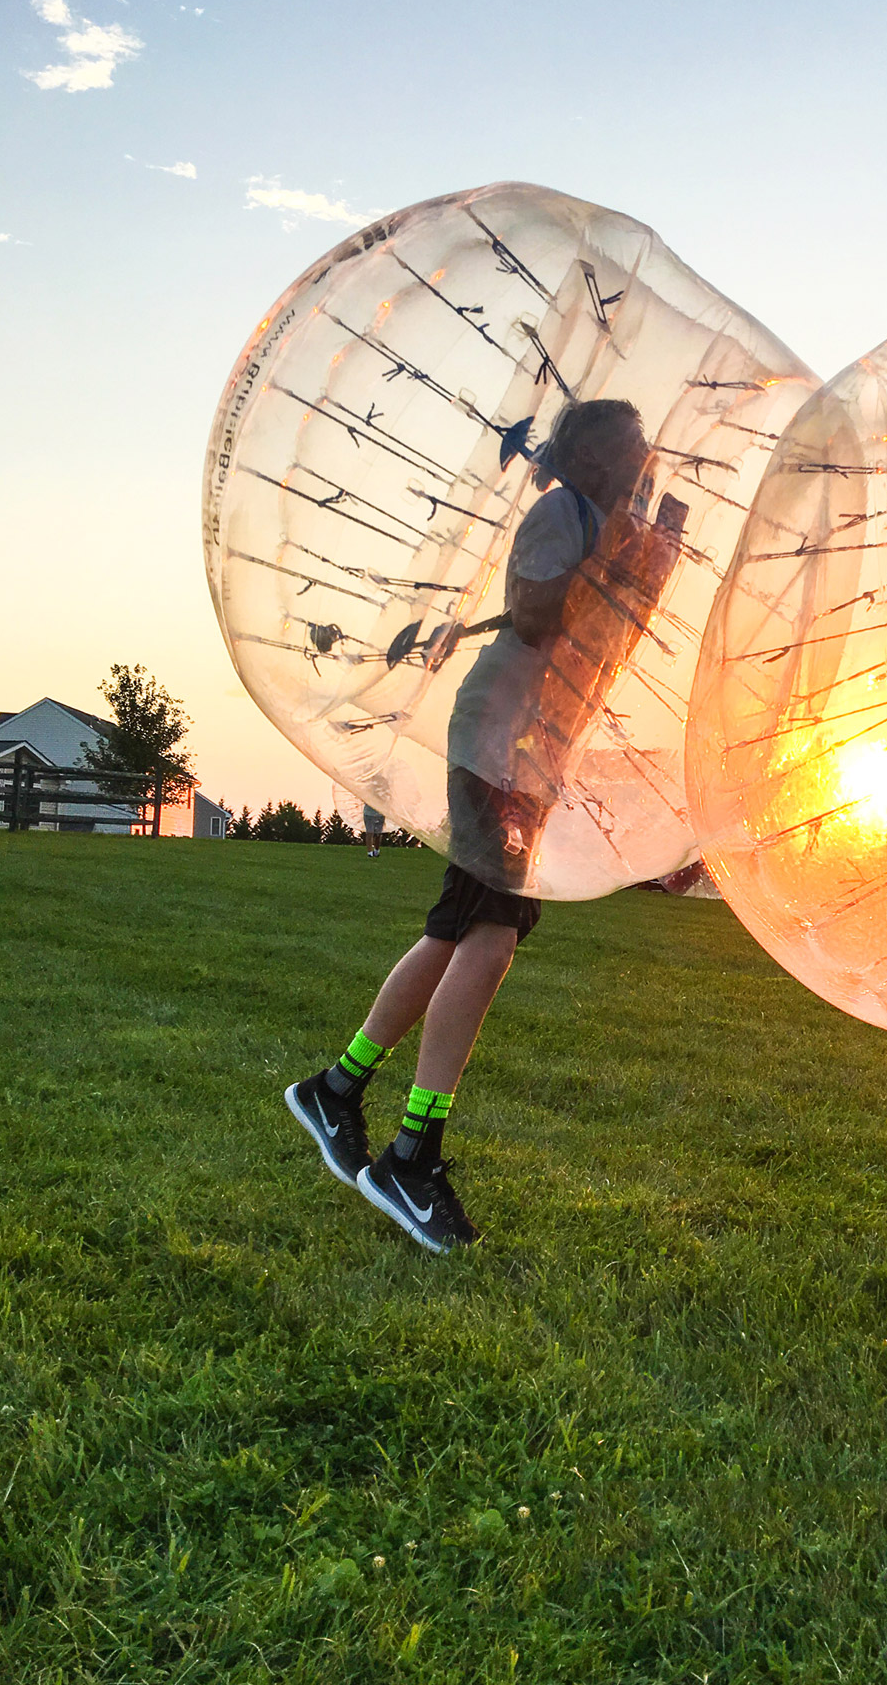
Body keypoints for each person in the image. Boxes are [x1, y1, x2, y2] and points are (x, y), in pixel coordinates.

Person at [286, 399, 655, 1253]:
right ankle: (412, 1153)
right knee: (492, 934)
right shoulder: (565, 512)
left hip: (525, 747)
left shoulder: (601, 519)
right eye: (633, 442)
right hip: (499, 741)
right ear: (594, 453)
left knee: (460, 930)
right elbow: (534, 615)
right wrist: (614, 561)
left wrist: (635, 558)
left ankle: (337, 1091)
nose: (648, 454)